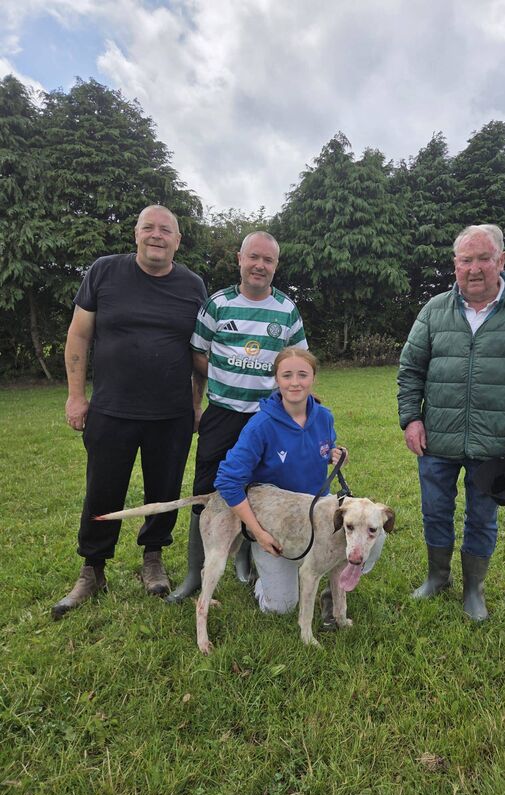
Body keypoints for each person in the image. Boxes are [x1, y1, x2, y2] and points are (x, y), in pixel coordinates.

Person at [397, 224, 505, 621]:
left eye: (483, 259)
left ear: (501, 261)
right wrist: (411, 419)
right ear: (455, 265)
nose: (474, 269)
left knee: (482, 515)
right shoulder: (434, 310)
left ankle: (474, 588)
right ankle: (437, 576)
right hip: (436, 438)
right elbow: (410, 370)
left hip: (496, 442)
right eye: (465, 260)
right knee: (435, 510)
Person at [52, 205, 207, 619]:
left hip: (171, 413)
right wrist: (75, 396)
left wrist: (195, 405)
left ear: (177, 240)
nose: (157, 235)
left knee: (165, 491)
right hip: (111, 409)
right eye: (149, 228)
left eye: (166, 230)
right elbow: (79, 335)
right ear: (136, 235)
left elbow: (200, 352)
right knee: (102, 490)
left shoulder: (193, 286)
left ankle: (153, 559)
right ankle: (92, 569)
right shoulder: (104, 272)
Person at [166, 232, 308, 603]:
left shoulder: (286, 310)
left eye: (269, 260)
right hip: (223, 415)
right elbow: (198, 356)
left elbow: (296, 363)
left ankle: (248, 560)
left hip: (269, 420)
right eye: (254, 257)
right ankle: (195, 576)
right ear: (240, 259)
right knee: (205, 493)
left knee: (262, 489)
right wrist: (212, 391)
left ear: (276, 266)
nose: (260, 265)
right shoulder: (217, 305)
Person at [214, 347, 384, 614]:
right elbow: (227, 481)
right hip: (276, 520)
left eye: (302, 374)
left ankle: (333, 583)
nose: (295, 382)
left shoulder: (324, 416)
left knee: (375, 533)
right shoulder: (261, 425)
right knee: (281, 606)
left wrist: (336, 455)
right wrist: (258, 532)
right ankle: (258, 568)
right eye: (287, 375)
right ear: (277, 380)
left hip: (317, 512)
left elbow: (321, 450)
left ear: (313, 377)